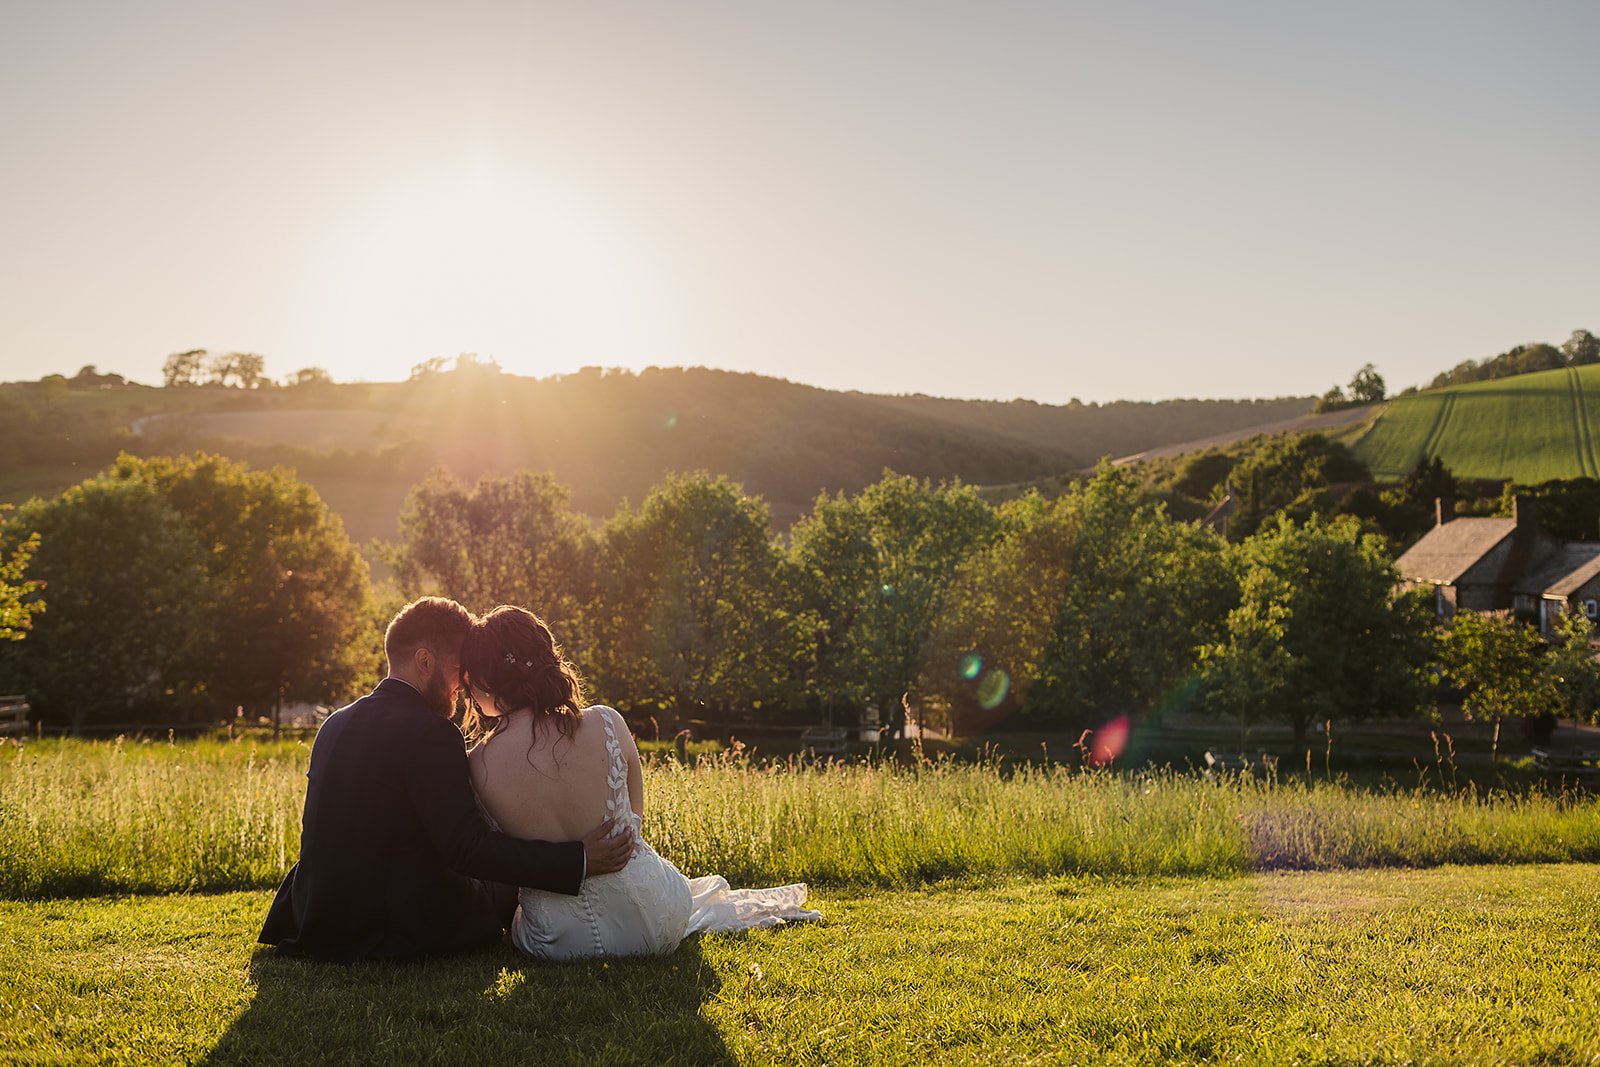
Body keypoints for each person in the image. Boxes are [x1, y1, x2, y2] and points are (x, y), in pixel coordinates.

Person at [258, 597, 632, 963]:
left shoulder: (335, 724)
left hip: (317, 918)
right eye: (461, 670)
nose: (466, 685)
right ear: (424, 661)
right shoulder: (431, 732)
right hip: (388, 928)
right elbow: (467, 849)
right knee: (502, 879)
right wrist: (577, 860)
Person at [465, 605, 821, 960]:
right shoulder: (606, 721)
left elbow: (503, 855)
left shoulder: (478, 762)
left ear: (486, 680)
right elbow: (634, 821)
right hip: (655, 918)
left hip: (558, 941)